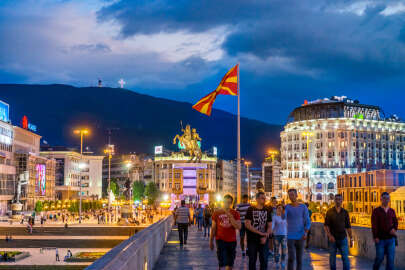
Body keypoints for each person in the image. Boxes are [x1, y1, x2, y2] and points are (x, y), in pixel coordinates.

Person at [210, 194, 241, 270]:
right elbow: (213, 228)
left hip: (232, 241)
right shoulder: (216, 213)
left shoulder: (235, 213)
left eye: (229, 203)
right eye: (225, 202)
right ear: (223, 202)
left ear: (231, 204)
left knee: (230, 264)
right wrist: (211, 241)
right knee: (222, 263)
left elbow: (238, 227)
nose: (227, 204)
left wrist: (230, 217)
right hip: (220, 240)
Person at [324, 194, 352, 270]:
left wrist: (351, 238)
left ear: (342, 201)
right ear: (334, 201)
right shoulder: (329, 212)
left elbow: (348, 226)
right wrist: (329, 236)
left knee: (345, 258)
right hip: (333, 239)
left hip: (343, 238)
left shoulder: (345, 212)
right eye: (336, 199)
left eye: (339, 199)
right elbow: (326, 226)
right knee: (332, 259)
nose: (338, 201)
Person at [245, 191, 272, 270]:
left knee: (264, 260)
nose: (264, 199)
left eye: (264, 198)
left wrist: (266, 235)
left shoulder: (267, 210)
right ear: (257, 199)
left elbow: (270, 225)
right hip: (252, 240)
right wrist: (260, 233)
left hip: (264, 240)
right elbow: (247, 225)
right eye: (262, 198)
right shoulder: (250, 209)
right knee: (252, 260)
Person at [285, 189, 311, 270]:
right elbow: (282, 218)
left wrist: (306, 233)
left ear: (296, 195)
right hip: (290, 237)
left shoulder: (303, 207)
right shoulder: (287, 207)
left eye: (292, 194)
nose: (291, 196)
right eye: (289, 195)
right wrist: (281, 210)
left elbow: (307, 221)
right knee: (291, 257)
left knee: (299, 259)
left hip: (301, 236)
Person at [371, 192, 398, 270]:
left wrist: (394, 229)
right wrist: (375, 237)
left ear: (389, 199)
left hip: (391, 239)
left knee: (390, 260)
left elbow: (395, 222)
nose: (386, 200)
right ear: (381, 199)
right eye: (384, 198)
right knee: (379, 258)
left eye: (387, 198)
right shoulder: (376, 211)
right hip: (380, 239)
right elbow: (374, 225)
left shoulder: (392, 211)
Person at [273, 204, 287, 269]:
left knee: (284, 250)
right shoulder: (274, 217)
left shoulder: (285, 217)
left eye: (281, 208)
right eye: (278, 208)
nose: (280, 209)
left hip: (284, 235)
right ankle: (276, 262)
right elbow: (272, 225)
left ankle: (283, 261)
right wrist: (270, 230)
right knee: (276, 250)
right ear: (276, 209)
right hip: (276, 235)